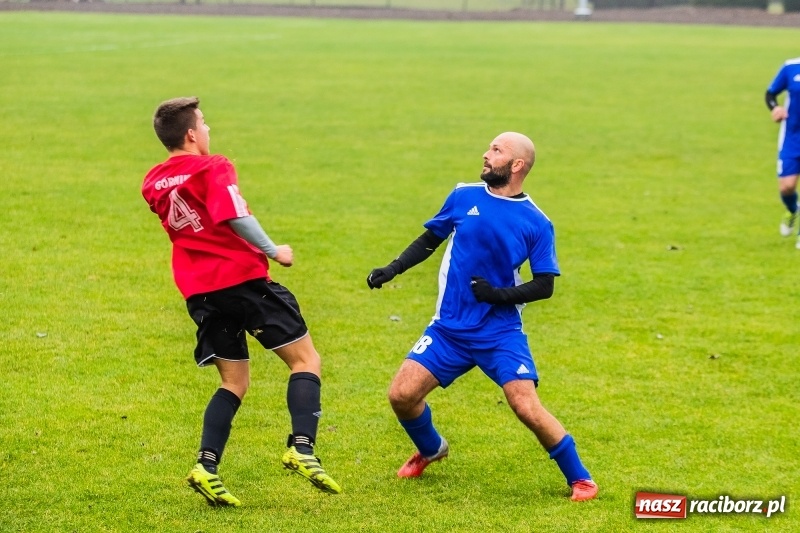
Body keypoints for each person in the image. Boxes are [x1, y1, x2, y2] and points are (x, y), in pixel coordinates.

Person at [366, 132, 598, 502]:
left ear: (517, 165)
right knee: (401, 395)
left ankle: (581, 479)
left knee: (525, 405)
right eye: (490, 148)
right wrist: (393, 269)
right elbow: (430, 239)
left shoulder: (536, 222)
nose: (486, 155)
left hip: (499, 333)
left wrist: (496, 296)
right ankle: (432, 449)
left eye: (496, 150)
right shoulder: (464, 196)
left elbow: (545, 285)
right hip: (448, 330)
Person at [142, 96, 341, 507]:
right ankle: (302, 449)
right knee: (305, 361)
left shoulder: (151, 181)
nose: (209, 130)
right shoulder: (213, 166)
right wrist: (273, 250)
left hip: (199, 291)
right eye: (205, 123)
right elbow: (233, 214)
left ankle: (206, 466)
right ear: (192, 134)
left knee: (234, 382)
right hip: (242, 280)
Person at [766, 57, 800, 249]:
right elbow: (770, 93)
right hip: (791, 139)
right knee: (787, 187)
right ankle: (793, 210)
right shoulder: (791, 67)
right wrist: (775, 108)